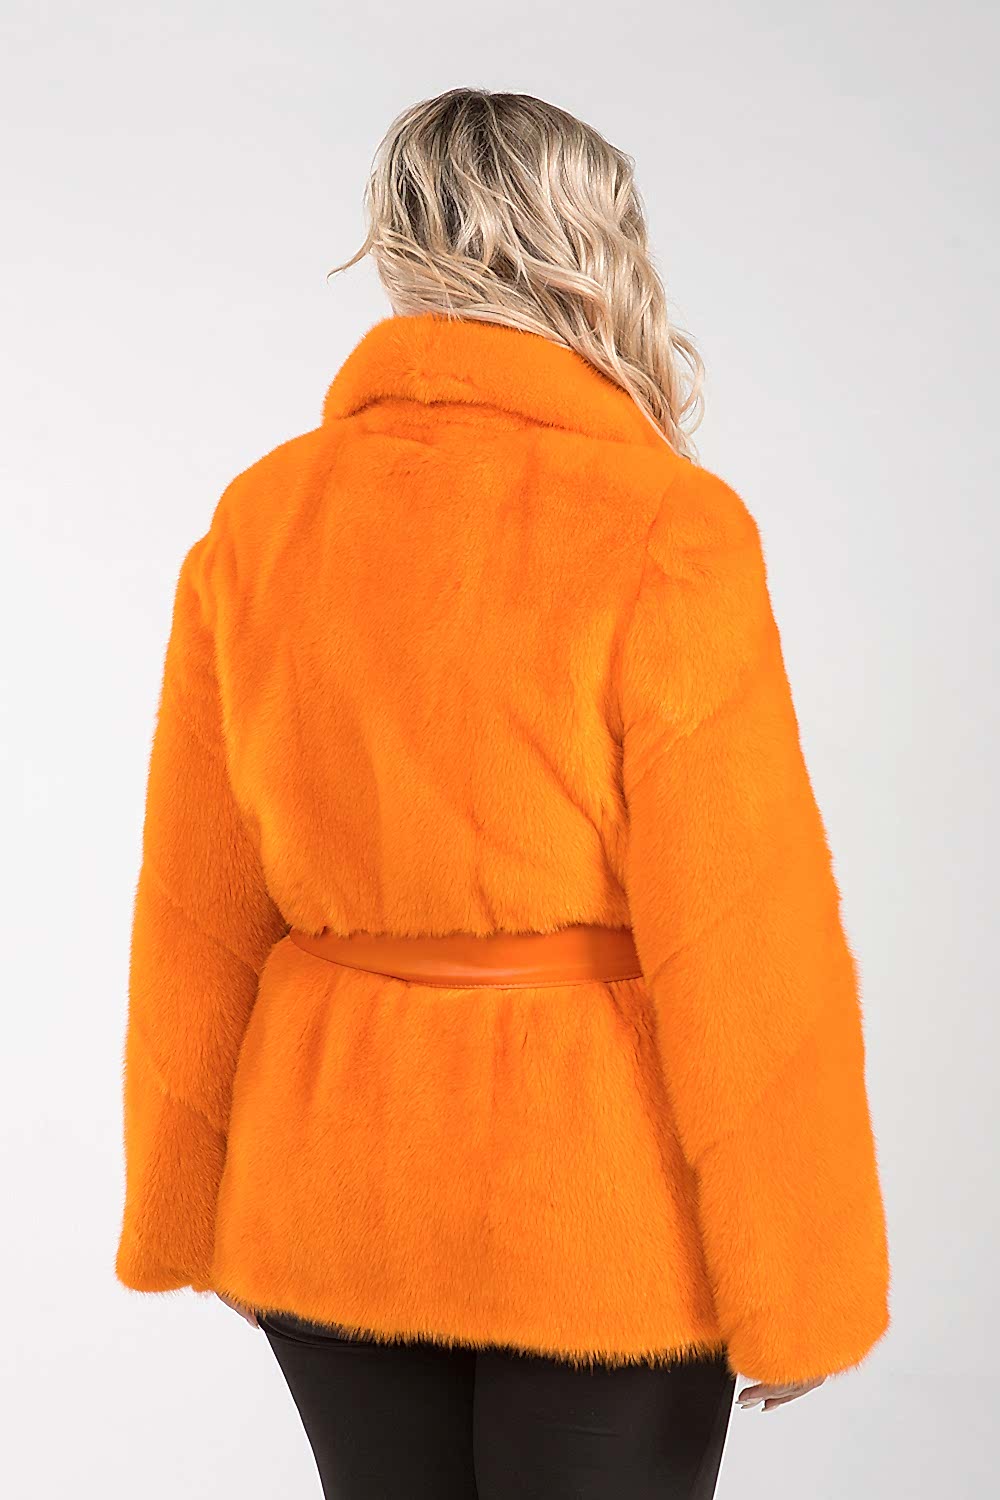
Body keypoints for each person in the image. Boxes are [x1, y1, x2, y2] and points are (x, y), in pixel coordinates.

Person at [114, 88, 890, 1498]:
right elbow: (744, 942)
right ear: (594, 242)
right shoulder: (665, 530)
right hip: (593, 1213)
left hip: (329, 1186)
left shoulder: (263, 519)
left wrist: (185, 1197)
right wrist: (803, 1282)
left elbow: (196, 905)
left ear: (396, 245)